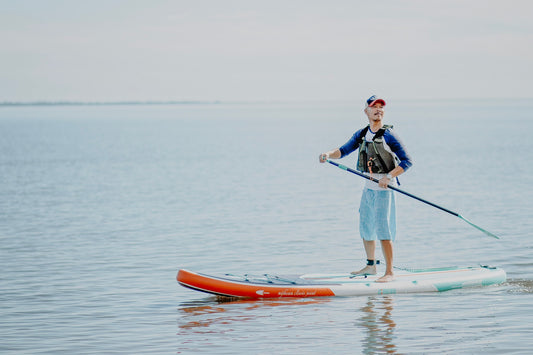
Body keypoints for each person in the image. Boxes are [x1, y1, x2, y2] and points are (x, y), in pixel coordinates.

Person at [319, 95, 412, 282]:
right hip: (369, 188)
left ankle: (389, 272)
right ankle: (370, 266)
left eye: (381, 107)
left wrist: (389, 176)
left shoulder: (389, 135)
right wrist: (328, 154)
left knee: (382, 228)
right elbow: (343, 151)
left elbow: (407, 161)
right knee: (366, 226)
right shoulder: (362, 134)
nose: (378, 110)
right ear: (366, 112)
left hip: (385, 189)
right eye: (374, 107)